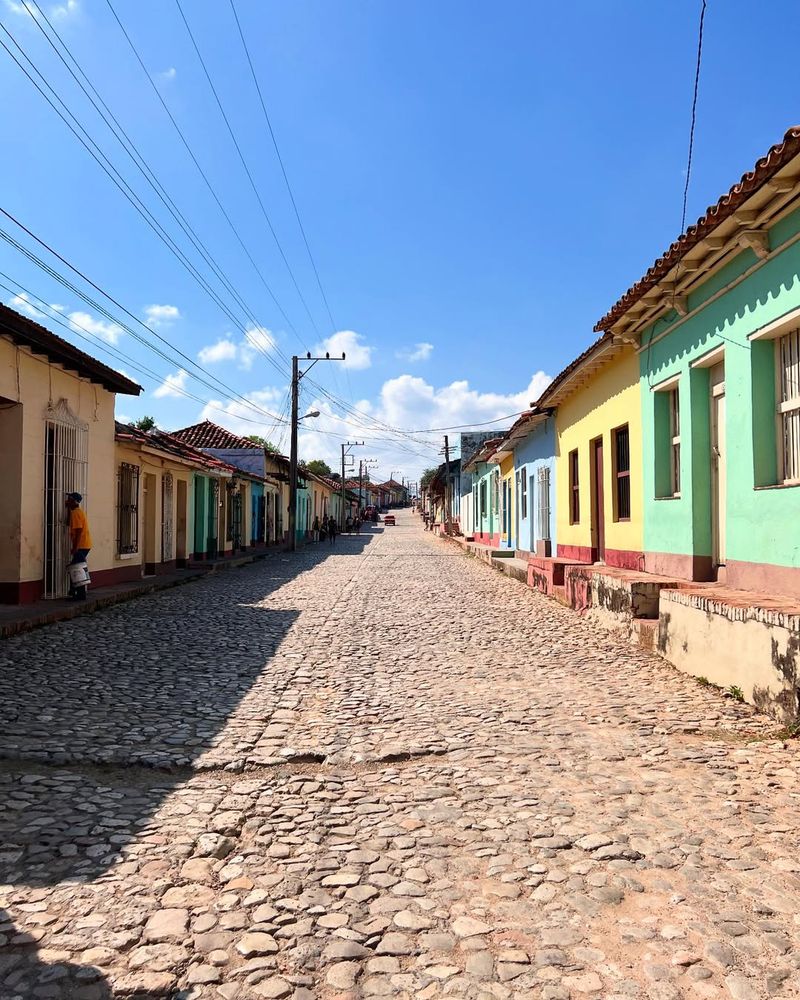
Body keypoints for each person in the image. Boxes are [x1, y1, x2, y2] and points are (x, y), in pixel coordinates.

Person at [65, 492, 92, 601]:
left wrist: (75, 547)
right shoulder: (76, 512)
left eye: (69, 499)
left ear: (74, 501)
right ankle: (74, 591)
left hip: (81, 545)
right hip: (85, 544)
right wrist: (68, 509)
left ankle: (80, 594)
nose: (67, 501)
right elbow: (68, 523)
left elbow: (79, 531)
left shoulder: (76, 513)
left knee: (77, 569)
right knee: (75, 567)